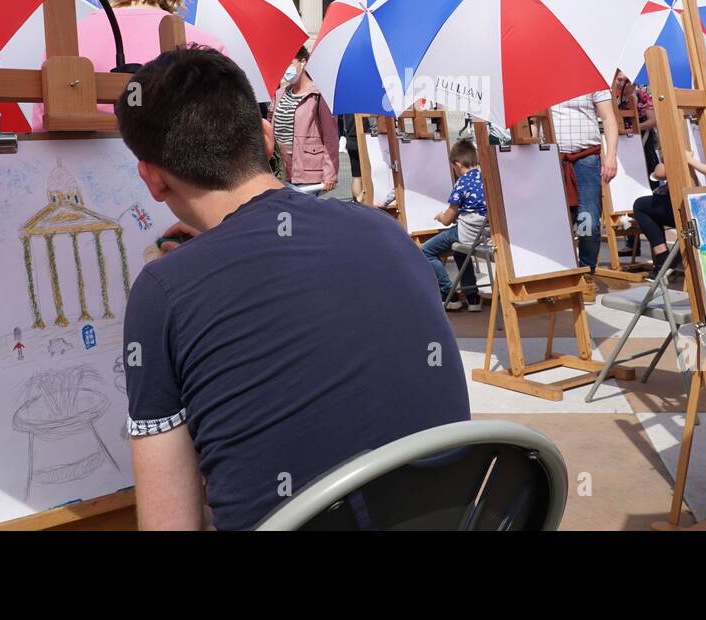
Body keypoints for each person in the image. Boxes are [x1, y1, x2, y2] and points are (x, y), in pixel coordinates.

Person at [116, 47, 470, 530]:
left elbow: (168, 524)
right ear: (266, 140)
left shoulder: (162, 291)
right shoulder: (388, 233)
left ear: (153, 180)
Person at [34, 0, 226, 126]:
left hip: (80, 156)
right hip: (177, 156)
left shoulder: (67, 42)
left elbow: (41, 130)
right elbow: (225, 133)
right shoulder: (207, 46)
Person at [550, 89, 618, 291]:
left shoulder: (593, 77)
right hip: (553, 157)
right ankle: (562, 274)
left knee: (587, 220)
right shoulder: (544, 76)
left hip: (586, 158)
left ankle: (587, 272)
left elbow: (608, 118)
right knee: (558, 222)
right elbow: (535, 123)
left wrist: (611, 156)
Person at [421, 140, 487, 312]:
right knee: (459, 251)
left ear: (457, 165)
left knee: (426, 251)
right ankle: (472, 297)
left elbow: (448, 219)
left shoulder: (461, 184)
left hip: (466, 232)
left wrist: (439, 216)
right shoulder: (485, 178)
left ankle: (448, 293)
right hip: (484, 235)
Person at [270, 46, 339, 195]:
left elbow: (330, 137)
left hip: (308, 173)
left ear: (303, 62)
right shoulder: (280, 94)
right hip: (281, 171)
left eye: (289, 62)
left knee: (301, 216)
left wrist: (330, 174)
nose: (285, 69)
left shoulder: (318, 95)